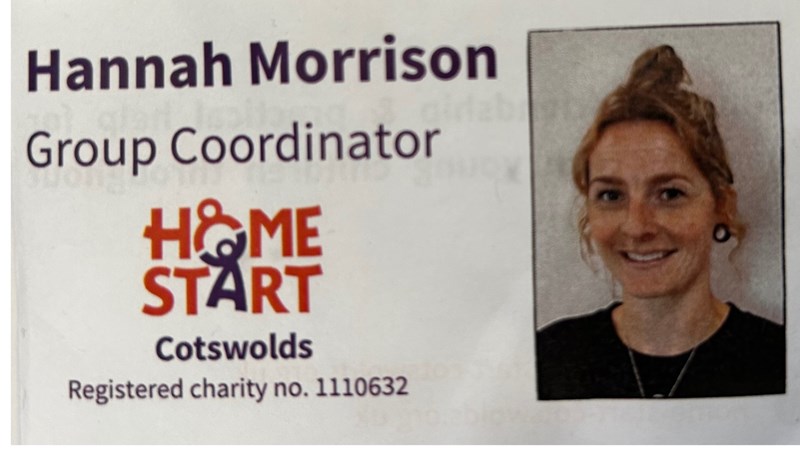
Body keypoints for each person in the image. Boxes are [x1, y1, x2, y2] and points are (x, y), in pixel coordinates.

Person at [536, 45, 785, 399]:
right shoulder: (549, 358)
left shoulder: (781, 361)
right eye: (611, 195)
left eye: (669, 194)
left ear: (721, 206)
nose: (637, 227)